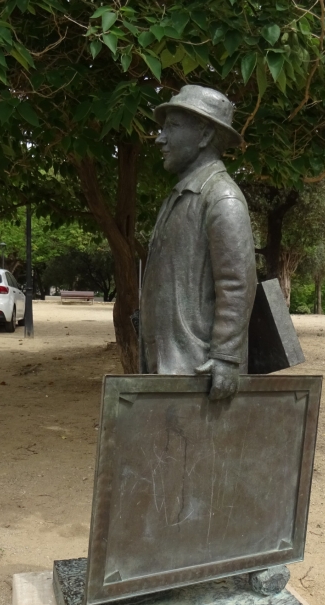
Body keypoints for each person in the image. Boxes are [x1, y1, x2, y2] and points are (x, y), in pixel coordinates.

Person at [140, 85, 257, 400]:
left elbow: (237, 283)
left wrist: (226, 356)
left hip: (196, 370)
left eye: (173, 127)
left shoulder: (222, 198)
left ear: (204, 135)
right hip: (170, 363)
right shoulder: (181, 195)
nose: (160, 138)